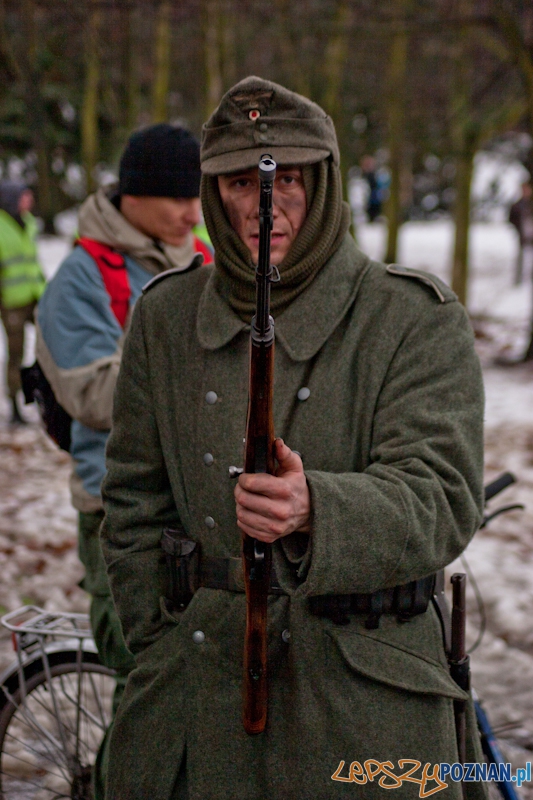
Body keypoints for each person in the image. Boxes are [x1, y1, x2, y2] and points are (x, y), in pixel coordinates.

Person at [101, 78, 486, 800]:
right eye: (239, 183)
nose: (261, 207)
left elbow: (442, 494)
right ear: (215, 194)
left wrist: (318, 508)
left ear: (324, 182)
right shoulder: (166, 319)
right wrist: (153, 642)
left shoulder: (410, 318)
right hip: (193, 699)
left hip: (363, 707)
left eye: (286, 180)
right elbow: (131, 500)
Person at [35, 122, 211, 798]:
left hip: (200, 506)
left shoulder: (197, 255)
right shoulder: (81, 279)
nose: (193, 214)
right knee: (152, 680)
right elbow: (90, 393)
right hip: (120, 516)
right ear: (133, 196)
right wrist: (200, 367)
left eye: (197, 197)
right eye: (177, 198)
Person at [0, 181, 45, 424]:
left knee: (48, 343)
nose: (29, 201)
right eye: (24, 197)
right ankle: (15, 403)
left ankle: (42, 393)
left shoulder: (28, 222)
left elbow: (32, 261)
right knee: (15, 352)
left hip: (35, 295)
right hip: (11, 302)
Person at [509, 180, 533, 285]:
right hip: (523, 237)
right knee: (521, 258)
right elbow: (511, 219)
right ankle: (518, 281)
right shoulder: (517, 205)